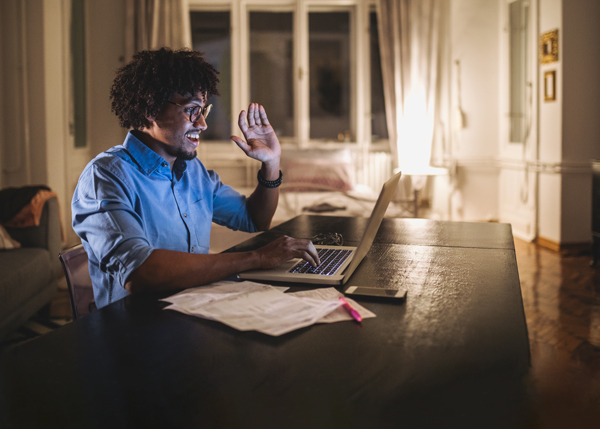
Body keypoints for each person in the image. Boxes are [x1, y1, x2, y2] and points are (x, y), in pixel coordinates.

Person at [72, 47, 319, 309]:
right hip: (137, 330)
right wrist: (257, 257)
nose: (202, 123)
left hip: (196, 312)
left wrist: (271, 162)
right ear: (151, 109)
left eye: (203, 110)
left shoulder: (194, 171)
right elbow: (141, 272)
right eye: (191, 110)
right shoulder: (106, 177)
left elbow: (254, 219)